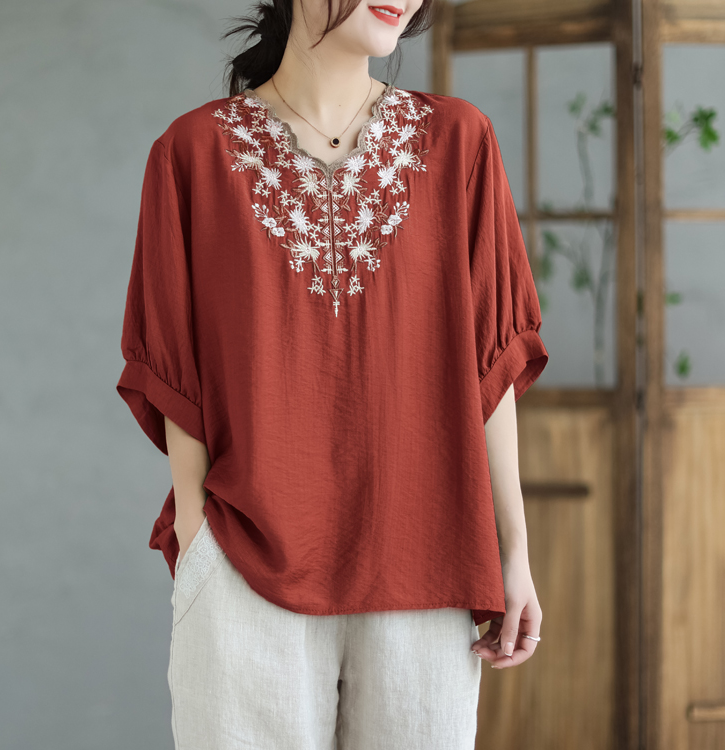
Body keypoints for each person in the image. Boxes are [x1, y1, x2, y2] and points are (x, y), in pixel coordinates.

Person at [116, 0, 549, 746]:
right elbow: (174, 367)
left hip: (429, 566)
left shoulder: (458, 141)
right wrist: (196, 538)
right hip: (246, 570)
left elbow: (491, 362)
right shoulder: (192, 153)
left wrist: (513, 549)